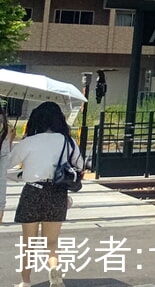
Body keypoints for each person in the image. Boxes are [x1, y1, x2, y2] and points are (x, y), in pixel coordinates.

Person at [10, 101, 83, 287]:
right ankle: (54, 267)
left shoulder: (28, 142)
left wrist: (11, 141)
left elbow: (6, 164)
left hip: (32, 191)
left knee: (28, 243)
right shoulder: (68, 141)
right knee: (51, 242)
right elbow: (80, 166)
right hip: (57, 193)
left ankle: (25, 282)